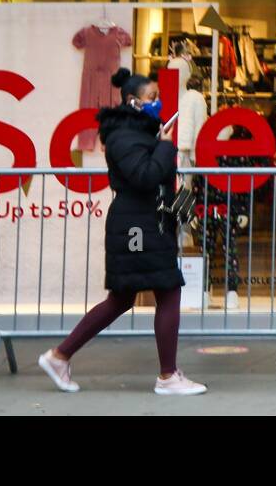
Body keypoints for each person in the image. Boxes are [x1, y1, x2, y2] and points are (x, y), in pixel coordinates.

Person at [38, 68, 206, 396]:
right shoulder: (126, 138)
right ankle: (168, 376)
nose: (157, 103)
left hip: (142, 223)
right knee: (167, 290)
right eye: (152, 98)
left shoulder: (134, 134)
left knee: (123, 297)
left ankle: (60, 356)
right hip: (137, 226)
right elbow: (144, 177)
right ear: (133, 102)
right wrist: (166, 148)